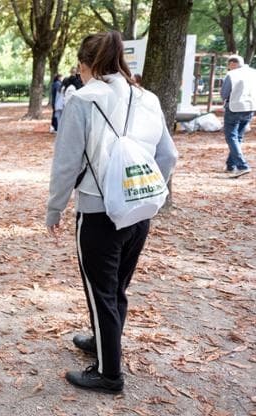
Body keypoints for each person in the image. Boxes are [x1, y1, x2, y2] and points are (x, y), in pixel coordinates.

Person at [46, 31, 178, 394]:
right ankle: (104, 341)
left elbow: (66, 164)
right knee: (116, 287)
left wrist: (54, 208)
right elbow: (169, 156)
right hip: (139, 210)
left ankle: (109, 374)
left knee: (101, 291)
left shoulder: (82, 100)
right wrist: (148, 189)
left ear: (86, 64)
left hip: (98, 210)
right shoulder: (147, 97)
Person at [220, 54, 256, 177]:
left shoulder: (231, 75)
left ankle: (242, 165)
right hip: (250, 107)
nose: (229, 68)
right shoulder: (253, 72)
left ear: (232, 64)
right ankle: (231, 165)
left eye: (229, 66)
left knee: (231, 137)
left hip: (234, 107)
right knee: (238, 137)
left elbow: (224, 93)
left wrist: (224, 101)